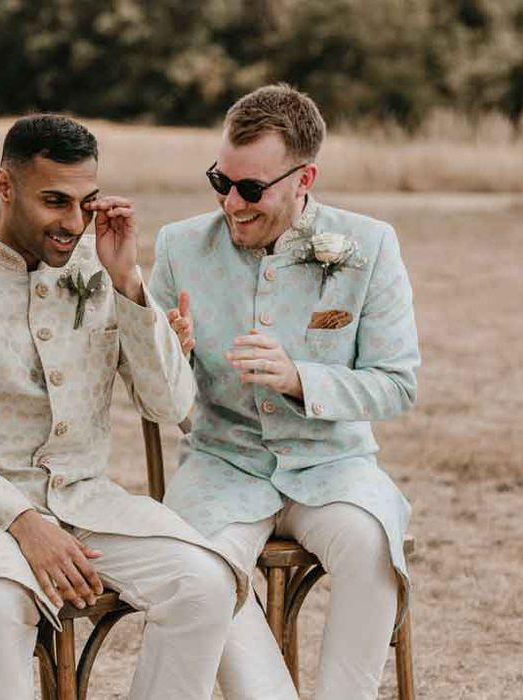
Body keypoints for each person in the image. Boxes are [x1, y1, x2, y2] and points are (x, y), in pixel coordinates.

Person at [0, 114, 245, 700]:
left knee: (204, 584)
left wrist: (127, 280)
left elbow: (171, 405)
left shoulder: (99, 265)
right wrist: (23, 522)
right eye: (55, 201)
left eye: (87, 202)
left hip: (88, 503)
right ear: (5, 186)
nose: (74, 223)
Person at [149, 84, 420, 700]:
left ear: (305, 178)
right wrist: (170, 353)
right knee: (198, 570)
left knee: (372, 545)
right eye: (221, 182)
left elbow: (397, 385)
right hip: (222, 463)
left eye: (251, 190)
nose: (232, 205)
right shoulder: (178, 247)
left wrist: (303, 380)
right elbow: (165, 401)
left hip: (334, 464)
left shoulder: (370, 246)